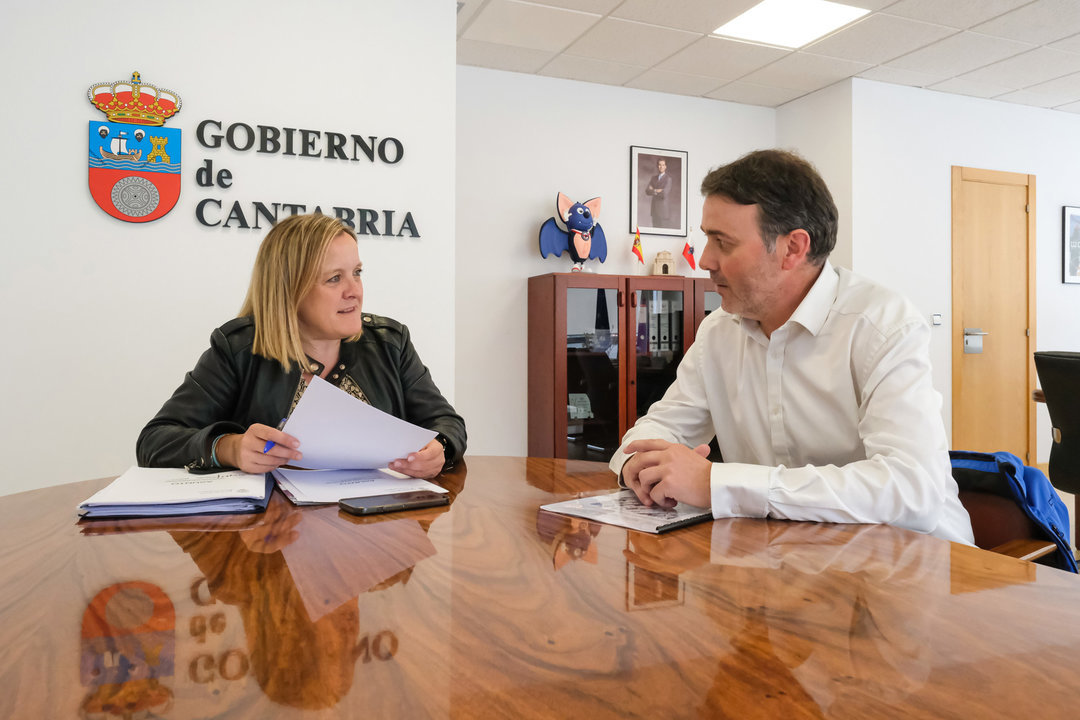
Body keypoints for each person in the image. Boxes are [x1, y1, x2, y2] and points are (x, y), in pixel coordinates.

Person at [611, 149, 973, 545]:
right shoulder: (719, 331)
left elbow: (912, 491)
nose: (704, 259)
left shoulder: (882, 326)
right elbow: (660, 428)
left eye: (722, 242)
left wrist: (719, 482)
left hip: (910, 568)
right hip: (786, 562)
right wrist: (638, 465)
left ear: (794, 248)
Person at [137, 213, 465, 479]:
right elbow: (154, 441)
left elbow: (446, 423)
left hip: (378, 529)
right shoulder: (237, 350)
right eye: (334, 278)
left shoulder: (390, 343)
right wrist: (230, 448)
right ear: (289, 290)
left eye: (357, 272)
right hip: (270, 541)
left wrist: (439, 450)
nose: (355, 291)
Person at [645, 158, 672, 228]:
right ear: (657, 166)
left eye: (663, 165)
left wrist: (653, 190)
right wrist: (657, 190)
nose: (661, 167)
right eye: (659, 165)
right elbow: (647, 191)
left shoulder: (668, 179)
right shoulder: (653, 178)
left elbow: (664, 193)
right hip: (654, 210)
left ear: (665, 166)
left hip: (663, 211)